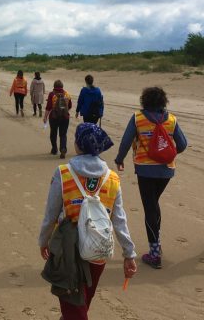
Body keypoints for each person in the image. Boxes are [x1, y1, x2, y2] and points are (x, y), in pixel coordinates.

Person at [39, 123, 137, 320]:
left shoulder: (63, 173)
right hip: (98, 250)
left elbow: (51, 215)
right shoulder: (112, 179)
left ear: (78, 144)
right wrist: (129, 253)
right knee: (82, 301)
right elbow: (119, 220)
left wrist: (44, 240)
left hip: (68, 250)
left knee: (74, 306)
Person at [113, 87, 187, 269]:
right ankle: (157, 244)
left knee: (150, 208)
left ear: (144, 100)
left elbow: (126, 141)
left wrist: (119, 159)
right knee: (153, 204)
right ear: (163, 101)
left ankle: (154, 253)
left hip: (145, 170)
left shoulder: (138, 118)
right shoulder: (171, 119)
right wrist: (167, 153)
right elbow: (183, 144)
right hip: (166, 170)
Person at [43, 80, 73, 159]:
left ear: (54, 86)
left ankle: (54, 149)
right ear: (62, 86)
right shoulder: (67, 94)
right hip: (65, 117)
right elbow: (70, 106)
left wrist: (45, 117)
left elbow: (48, 107)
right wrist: (64, 111)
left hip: (54, 117)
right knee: (63, 134)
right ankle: (63, 149)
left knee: (53, 133)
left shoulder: (51, 94)